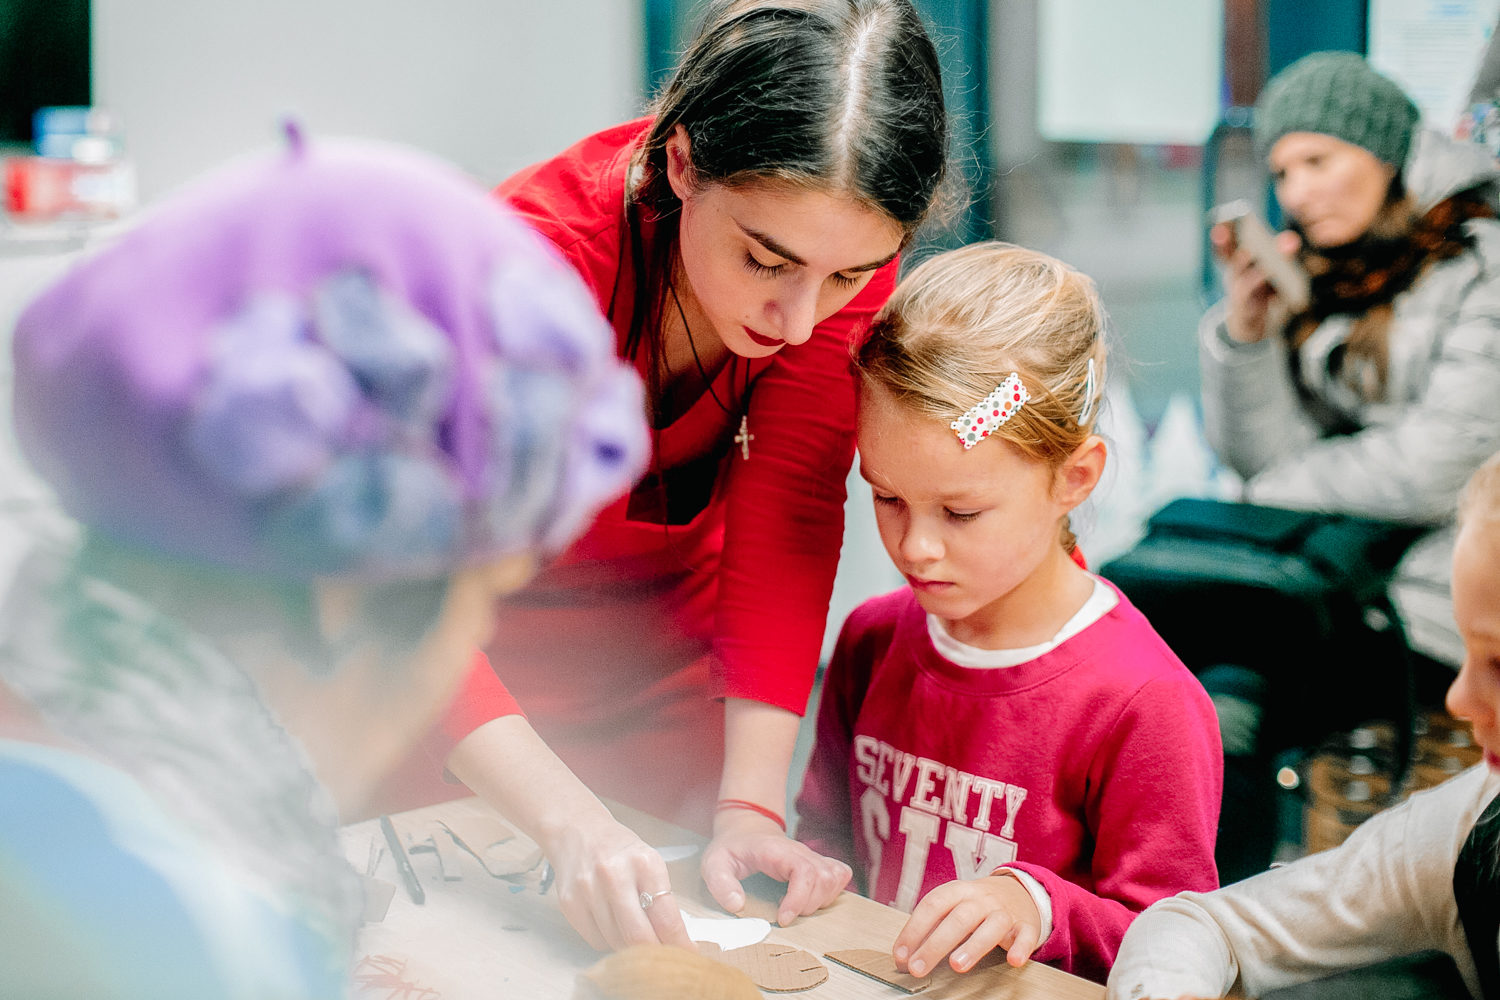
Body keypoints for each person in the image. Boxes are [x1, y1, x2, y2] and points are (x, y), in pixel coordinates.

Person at [0, 125, 650, 998]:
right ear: (351, 587)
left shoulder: (69, 761)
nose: (469, 649)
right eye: (483, 600)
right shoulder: (187, 926)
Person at [424, 0, 951, 954]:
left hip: (664, 680)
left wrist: (751, 805)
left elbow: (788, 516)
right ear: (680, 162)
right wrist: (567, 820)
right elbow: (402, 588)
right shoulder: (528, 267)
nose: (799, 321)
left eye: (845, 279)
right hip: (458, 687)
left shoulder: (835, 256)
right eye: (765, 260)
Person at [792, 242, 1224, 985]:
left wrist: (1038, 904)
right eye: (887, 497)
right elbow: (825, 840)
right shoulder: (869, 642)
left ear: (1075, 478)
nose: (915, 546)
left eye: (961, 511)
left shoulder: (1145, 705)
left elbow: (1178, 944)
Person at [1197, 49, 1500, 882]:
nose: (1294, 191)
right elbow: (1260, 454)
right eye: (1283, 169)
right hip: (1337, 582)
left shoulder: (1484, 262)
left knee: (1228, 697)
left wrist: (1270, 495)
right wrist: (1248, 334)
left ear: (1387, 153)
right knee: (1196, 686)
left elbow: (1437, 466)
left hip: (1440, 599)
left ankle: (1213, 930)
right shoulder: (1341, 269)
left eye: (1318, 160)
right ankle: (1201, 928)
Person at [1106, 451, 1500, 1000]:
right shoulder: (1469, 826)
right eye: (1469, 656)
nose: (1460, 699)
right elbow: (1204, 925)